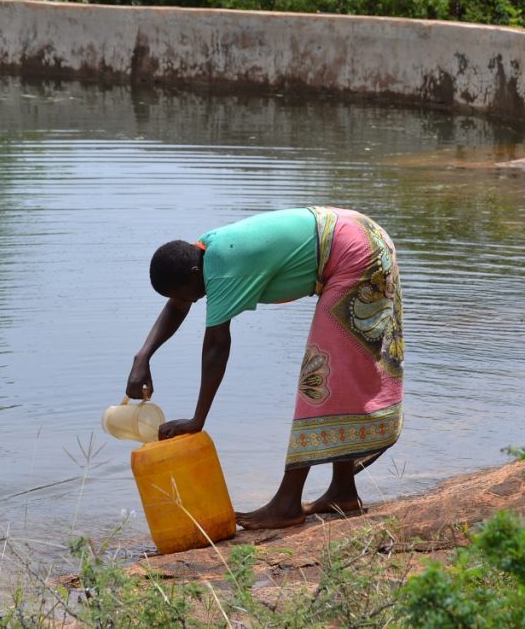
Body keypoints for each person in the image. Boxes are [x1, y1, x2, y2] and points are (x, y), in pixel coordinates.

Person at [125, 206, 404, 530]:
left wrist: (197, 420)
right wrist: (143, 356)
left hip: (359, 255)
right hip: (359, 235)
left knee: (319, 377)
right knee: (337, 373)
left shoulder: (221, 268)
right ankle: (343, 491)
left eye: (188, 294)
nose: (194, 301)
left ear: (193, 272)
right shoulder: (203, 252)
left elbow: (216, 347)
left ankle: (287, 504)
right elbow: (177, 305)